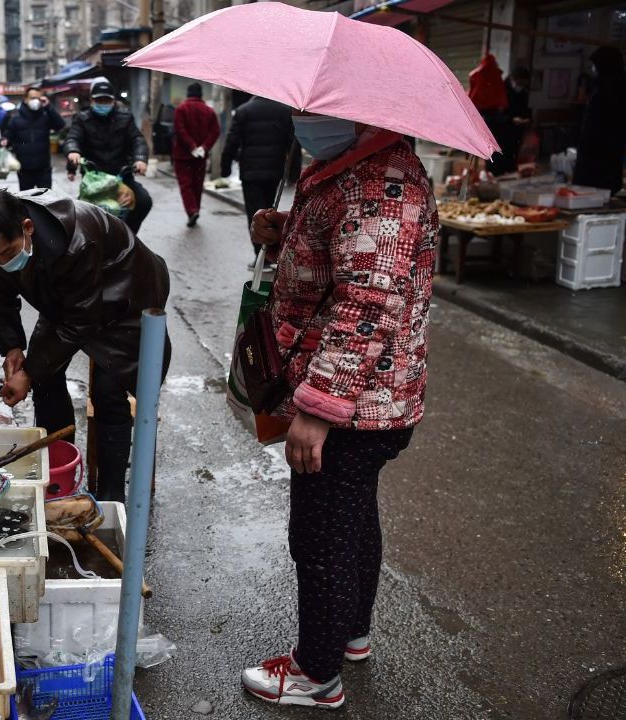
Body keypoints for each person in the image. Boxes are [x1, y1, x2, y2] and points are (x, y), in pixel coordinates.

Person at [239, 113, 439, 709]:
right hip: (369, 398)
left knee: (321, 534)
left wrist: (318, 409)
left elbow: (366, 305)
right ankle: (351, 634)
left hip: (355, 404)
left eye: (316, 113)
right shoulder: (352, 164)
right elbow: (342, 259)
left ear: (356, 112)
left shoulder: (380, 183)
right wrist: (287, 230)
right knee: (353, 516)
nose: (304, 122)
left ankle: (315, 673)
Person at [0, 188, 171, 502]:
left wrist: (28, 372)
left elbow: (80, 322)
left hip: (127, 290)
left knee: (108, 388)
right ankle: (60, 475)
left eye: (9, 253)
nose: (3, 262)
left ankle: (110, 494)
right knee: (45, 377)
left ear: (28, 228)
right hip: (70, 298)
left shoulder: (79, 240)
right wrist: (12, 349)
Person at [63, 81, 152, 234]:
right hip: (94, 181)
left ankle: (129, 236)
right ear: (92, 101)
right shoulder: (82, 119)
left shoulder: (126, 117)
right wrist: (73, 151)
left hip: (121, 177)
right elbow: (72, 138)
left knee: (144, 201)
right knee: (81, 215)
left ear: (113, 101)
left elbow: (137, 139)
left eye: (107, 100)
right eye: (99, 101)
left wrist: (140, 159)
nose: (103, 104)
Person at [219, 95, 299, 264]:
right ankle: (269, 252)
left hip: (250, 171)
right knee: (270, 211)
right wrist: (294, 173)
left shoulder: (243, 111)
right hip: (274, 170)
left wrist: (225, 169)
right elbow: (293, 144)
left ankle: (261, 255)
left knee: (255, 213)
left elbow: (231, 141)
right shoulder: (284, 111)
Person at [574, 46, 626, 194]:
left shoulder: (612, 87)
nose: (594, 69)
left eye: (596, 65)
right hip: (601, 148)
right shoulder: (603, 84)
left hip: (601, 148)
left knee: (595, 186)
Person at [172, 82, 221, 227]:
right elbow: (215, 131)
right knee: (197, 185)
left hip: (182, 155)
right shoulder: (209, 111)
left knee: (185, 185)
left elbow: (179, 130)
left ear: (188, 94)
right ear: (201, 95)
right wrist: (204, 147)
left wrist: (191, 146)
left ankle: (192, 211)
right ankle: (196, 209)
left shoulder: (181, 109)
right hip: (201, 156)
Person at [1, 88, 67, 191]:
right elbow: (8, 134)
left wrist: (49, 106)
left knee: (46, 200)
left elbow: (60, 125)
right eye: (32, 98)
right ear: (25, 99)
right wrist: (4, 140)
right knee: (27, 201)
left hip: (44, 168)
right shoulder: (16, 118)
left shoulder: (46, 115)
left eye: (38, 98)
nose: (35, 100)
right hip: (24, 169)